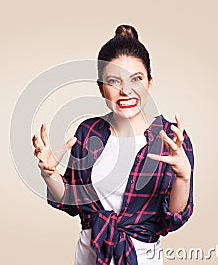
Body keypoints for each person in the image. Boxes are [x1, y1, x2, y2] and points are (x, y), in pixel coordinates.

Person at [32, 24, 194, 265]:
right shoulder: (87, 132)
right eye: (114, 81)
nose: (126, 90)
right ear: (101, 88)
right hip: (89, 255)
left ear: (149, 82)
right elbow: (71, 201)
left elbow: (173, 218)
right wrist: (49, 173)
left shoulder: (171, 138)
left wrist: (183, 178)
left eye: (136, 79)